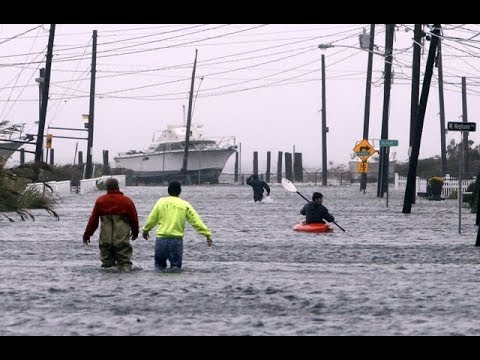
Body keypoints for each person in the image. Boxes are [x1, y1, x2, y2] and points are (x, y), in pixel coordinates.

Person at [141, 180, 212, 272]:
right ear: (180, 191)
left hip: (161, 240)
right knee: (176, 269)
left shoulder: (161, 202)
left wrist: (145, 230)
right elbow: (196, 221)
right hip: (176, 241)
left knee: (158, 268)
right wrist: (207, 234)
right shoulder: (185, 204)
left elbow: (152, 218)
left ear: (168, 190)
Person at [83, 178, 139, 271]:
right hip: (121, 240)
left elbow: (93, 221)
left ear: (106, 187)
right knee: (125, 265)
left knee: (107, 267)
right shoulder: (127, 201)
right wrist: (135, 232)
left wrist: (87, 235)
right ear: (118, 187)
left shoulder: (100, 201)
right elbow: (134, 219)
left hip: (106, 240)